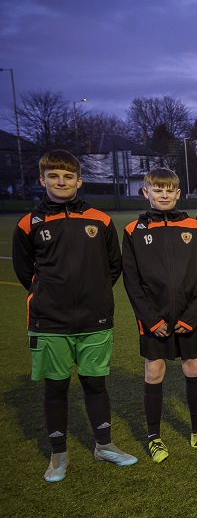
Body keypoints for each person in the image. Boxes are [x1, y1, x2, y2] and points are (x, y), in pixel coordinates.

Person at [12, 149, 137, 482]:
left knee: (95, 384)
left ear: (79, 181)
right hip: (50, 321)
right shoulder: (29, 223)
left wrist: (93, 293)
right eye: (53, 176)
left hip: (95, 319)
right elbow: (25, 273)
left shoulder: (100, 219)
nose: (61, 181)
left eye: (68, 176)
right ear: (42, 180)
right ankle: (58, 454)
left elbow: (114, 266)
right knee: (56, 388)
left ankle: (104, 445)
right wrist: (52, 296)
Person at [122, 168, 197, 462]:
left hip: (188, 316)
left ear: (178, 194)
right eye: (157, 190)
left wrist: (191, 316)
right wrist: (151, 319)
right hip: (153, 318)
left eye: (169, 190)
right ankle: (154, 437)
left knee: (194, 367)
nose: (164, 195)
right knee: (154, 371)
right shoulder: (134, 231)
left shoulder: (195, 227)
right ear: (146, 193)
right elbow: (132, 280)